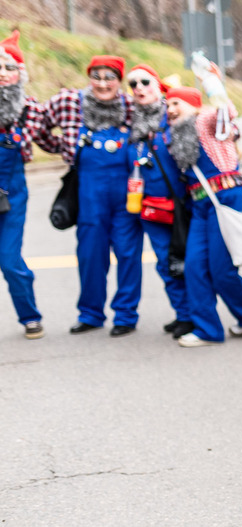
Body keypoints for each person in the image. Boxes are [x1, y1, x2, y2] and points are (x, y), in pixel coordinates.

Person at [42, 55, 143, 336]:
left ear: (119, 81)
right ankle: (90, 313)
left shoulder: (132, 107)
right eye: (96, 77)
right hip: (89, 199)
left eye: (109, 77)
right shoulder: (73, 104)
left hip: (127, 199)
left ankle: (125, 315)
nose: (102, 83)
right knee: (90, 256)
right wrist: (59, 146)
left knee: (128, 255)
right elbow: (38, 121)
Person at [164, 86, 242, 348]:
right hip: (200, 204)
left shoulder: (205, 120)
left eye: (177, 103)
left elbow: (226, 112)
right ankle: (208, 329)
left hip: (227, 198)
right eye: (168, 105)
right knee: (194, 266)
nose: (171, 109)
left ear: (193, 104)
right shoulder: (175, 135)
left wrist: (212, 82)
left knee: (222, 270)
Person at [126, 64, 193, 340]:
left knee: (187, 262)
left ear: (158, 85)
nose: (139, 88)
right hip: (148, 207)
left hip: (179, 205)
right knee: (165, 263)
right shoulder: (130, 122)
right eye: (133, 84)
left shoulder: (174, 116)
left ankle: (196, 314)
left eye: (145, 81)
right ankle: (183, 314)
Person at [0, 30, 47, 340]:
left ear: (20, 73)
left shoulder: (28, 108)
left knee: (9, 260)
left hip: (10, 195)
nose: (2, 74)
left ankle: (29, 315)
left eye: (8, 67)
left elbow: (32, 138)